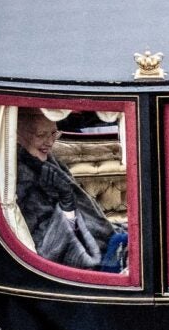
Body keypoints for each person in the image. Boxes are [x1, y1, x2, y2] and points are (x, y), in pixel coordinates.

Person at [13, 107, 124, 271]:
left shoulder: (45, 161)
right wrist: (66, 203)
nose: (50, 142)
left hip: (85, 236)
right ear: (18, 135)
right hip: (67, 257)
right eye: (41, 135)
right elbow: (50, 246)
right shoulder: (21, 177)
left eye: (53, 134)